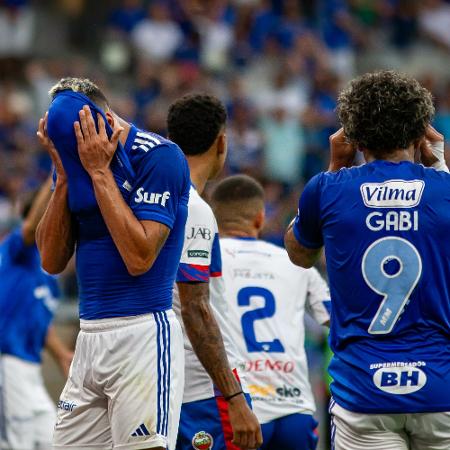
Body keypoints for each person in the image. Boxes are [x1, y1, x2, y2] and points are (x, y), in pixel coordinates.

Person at [284, 70, 450, 450]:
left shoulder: (327, 189)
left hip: (363, 388)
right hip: (441, 387)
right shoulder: (445, 190)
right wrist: (439, 165)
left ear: (353, 138)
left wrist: (334, 169)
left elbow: (298, 254)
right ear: (421, 134)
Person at [36, 77, 190, 450]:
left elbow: (140, 258)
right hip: (89, 335)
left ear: (99, 120)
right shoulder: (75, 163)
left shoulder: (158, 157)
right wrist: (61, 178)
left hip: (142, 331)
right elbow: (52, 261)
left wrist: (100, 172)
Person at [167, 94, 262, 450]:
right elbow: (195, 307)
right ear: (222, 143)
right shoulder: (193, 207)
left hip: (165, 384)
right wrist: (234, 396)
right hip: (206, 391)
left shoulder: (155, 201)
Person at [210, 174, 330, 450]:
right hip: (295, 406)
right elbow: (335, 318)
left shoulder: (205, 260)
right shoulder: (295, 263)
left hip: (241, 405)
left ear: (213, 220)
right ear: (260, 218)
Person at [0, 175, 73, 450]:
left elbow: (42, 326)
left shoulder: (48, 279)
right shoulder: (18, 251)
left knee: (53, 441)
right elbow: (30, 228)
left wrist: (62, 355)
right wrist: (56, 176)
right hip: (8, 363)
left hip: (30, 369)